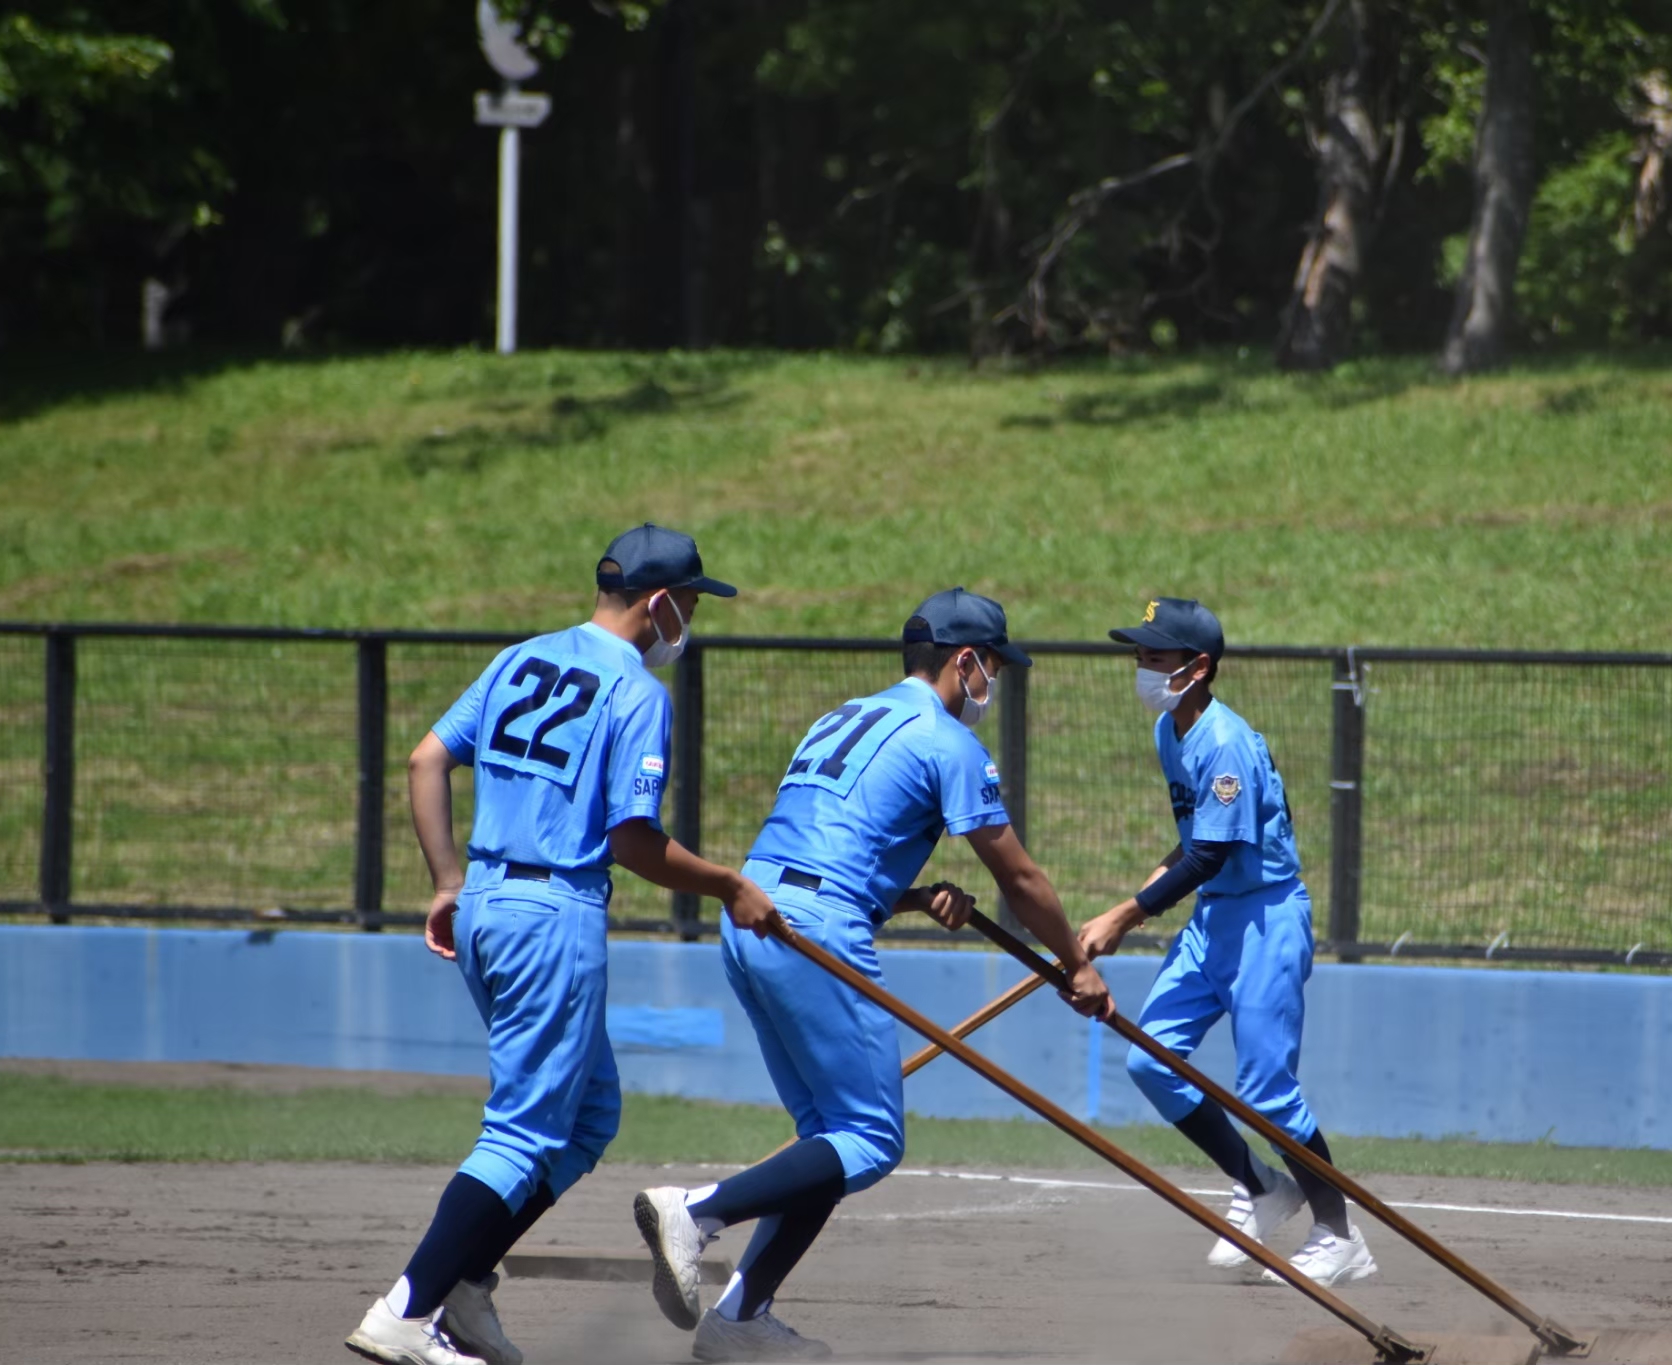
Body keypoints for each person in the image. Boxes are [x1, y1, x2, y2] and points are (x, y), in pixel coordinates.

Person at [633, 587, 1113, 1363]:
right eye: (993, 666)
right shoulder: (947, 739)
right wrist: (1077, 965)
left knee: (828, 1137)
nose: (994, 682)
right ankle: (698, 1210)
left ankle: (741, 1316)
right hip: (816, 929)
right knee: (871, 1139)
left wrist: (915, 896)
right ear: (965, 660)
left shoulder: (845, 715)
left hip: (755, 911)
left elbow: (826, 846)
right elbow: (1020, 878)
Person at [345, 524, 778, 1365]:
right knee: (522, 1131)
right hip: (553, 913)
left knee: (588, 1113)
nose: (691, 618)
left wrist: (447, 882)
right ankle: (407, 1307)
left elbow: (426, 759)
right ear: (660, 601)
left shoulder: (520, 656)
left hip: (486, 900)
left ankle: (464, 1284)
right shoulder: (638, 691)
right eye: (691, 602)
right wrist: (728, 883)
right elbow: (633, 841)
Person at [1076, 597, 1376, 1289]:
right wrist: (1136, 904)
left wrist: (1125, 915)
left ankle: (1339, 1234)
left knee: (1266, 1092)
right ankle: (1262, 1186)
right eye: (1140, 654)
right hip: (1213, 917)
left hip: (1265, 918)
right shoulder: (1169, 730)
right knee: (1151, 1060)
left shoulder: (1226, 741)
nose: (1142, 666)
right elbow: (1193, 840)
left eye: (1156, 656)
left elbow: (1212, 852)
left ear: (1198, 667)